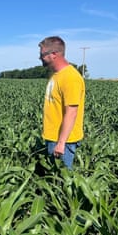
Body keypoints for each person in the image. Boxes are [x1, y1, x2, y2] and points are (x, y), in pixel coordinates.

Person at [38, 36, 85, 170]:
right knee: (54, 178)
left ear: (54, 55)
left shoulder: (70, 78)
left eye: (42, 54)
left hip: (63, 141)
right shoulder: (57, 75)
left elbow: (72, 112)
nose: (40, 57)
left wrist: (61, 143)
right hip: (53, 137)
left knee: (62, 181)